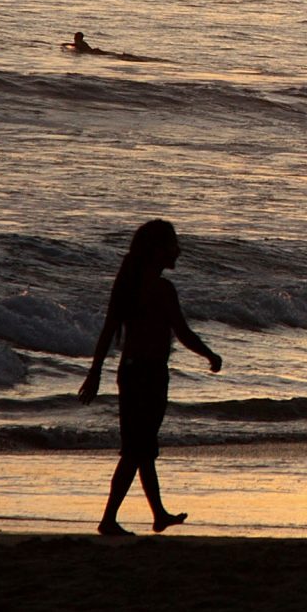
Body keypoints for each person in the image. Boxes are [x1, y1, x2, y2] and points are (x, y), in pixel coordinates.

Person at [78, 219, 222, 536]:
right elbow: (182, 332)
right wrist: (211, 355)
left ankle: (157, 514)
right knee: (137, 449)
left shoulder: (128, 285)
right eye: (172, 245)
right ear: (158, 251)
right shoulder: (161, 290)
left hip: (129, 373)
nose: (178, 251)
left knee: (141, 447)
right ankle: (109, 519)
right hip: (151, 376)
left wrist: (96, 370)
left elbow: (108, 331)